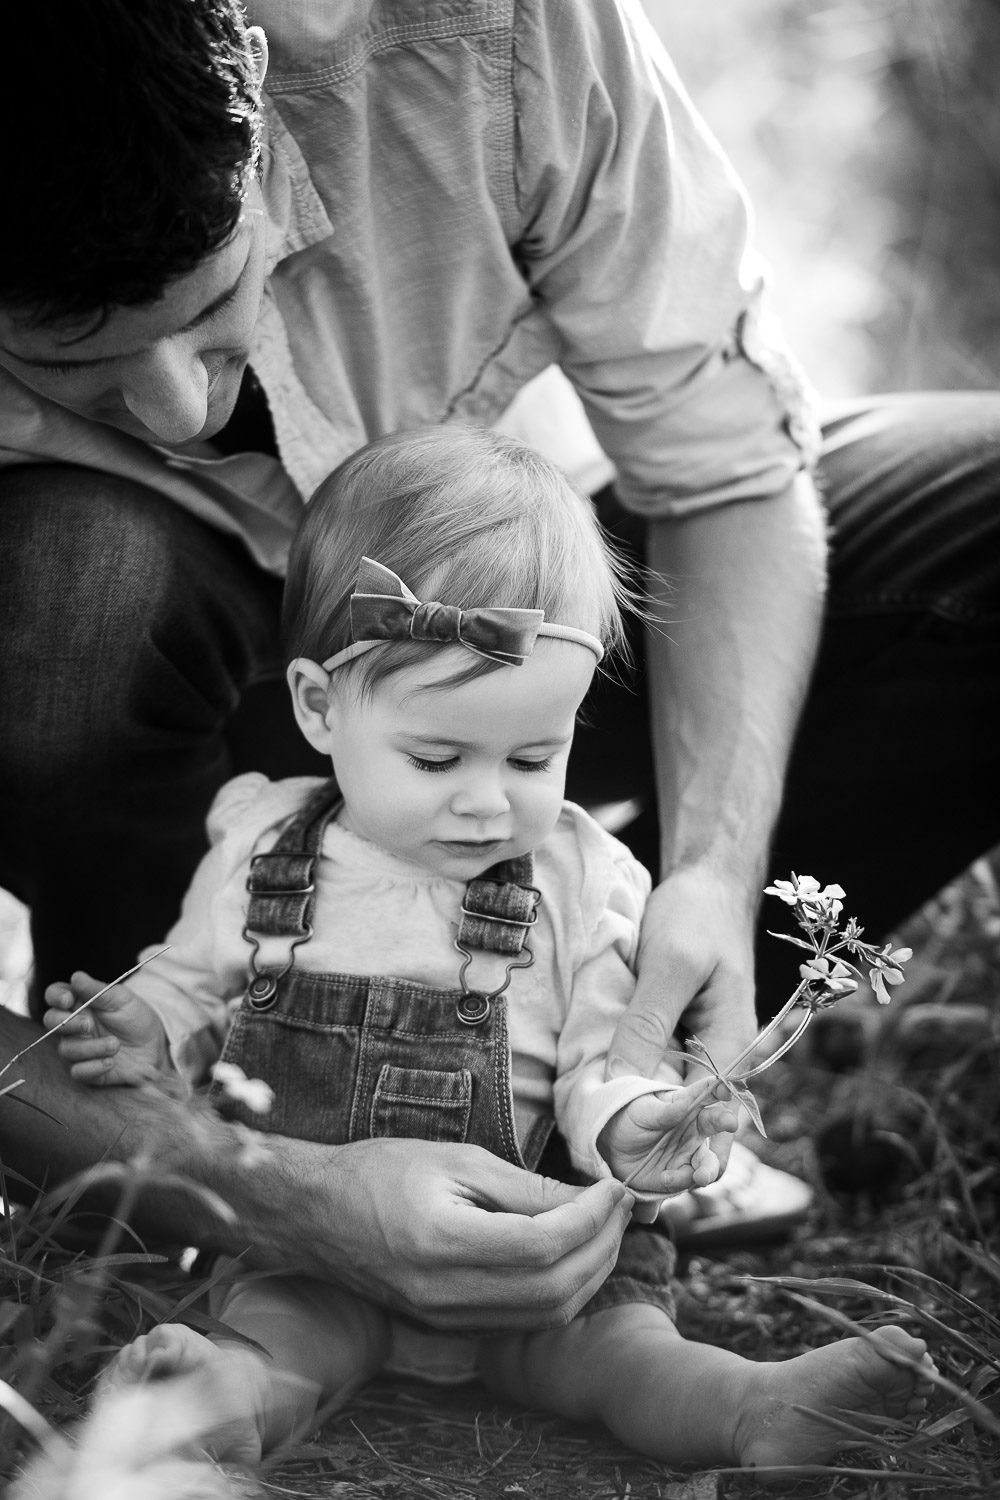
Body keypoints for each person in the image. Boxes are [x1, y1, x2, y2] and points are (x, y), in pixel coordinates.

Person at [0, 0, 997, 1268]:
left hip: (541, 606)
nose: (179, 410)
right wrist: (250, 1181)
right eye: (67, 368)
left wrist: (710, 872)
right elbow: (175, 979)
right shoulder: (253, 844)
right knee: (70, 589)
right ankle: (160, 1172)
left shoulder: (499, 35)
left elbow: (726, 470)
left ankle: (626, 1075)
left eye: (214, 306)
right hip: (153, 700)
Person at [43, 428, 935, 1473]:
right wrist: (144, 1024)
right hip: (325, 1255)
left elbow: (603, 1066)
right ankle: (213, 1403)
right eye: (435, 755)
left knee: (628, 1352)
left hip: (537, 1267)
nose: (485, 800)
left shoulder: (581, 880)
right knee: (277, 1341)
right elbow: (195, 978)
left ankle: (757, 1409)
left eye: (532, 754)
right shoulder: (261, 845)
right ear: (319, 708)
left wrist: (638, 1123)